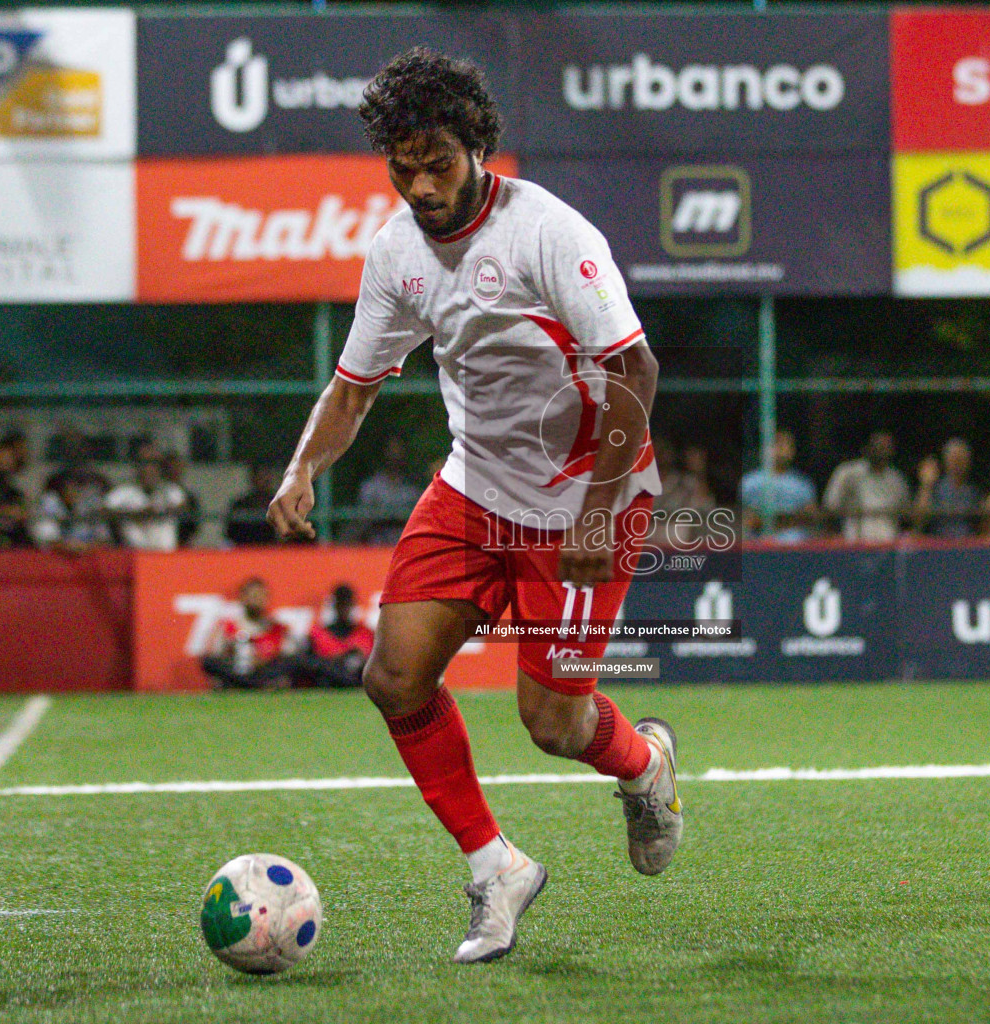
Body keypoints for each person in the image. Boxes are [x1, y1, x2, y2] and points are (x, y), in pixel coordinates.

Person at [266, 48, 682, 964]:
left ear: (479, 147)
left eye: (438, 164)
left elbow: (634, 369)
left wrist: (597, 510)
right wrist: (302, 470)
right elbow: (353, 388)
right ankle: (495, 867)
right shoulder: (395, 252)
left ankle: (645, 765)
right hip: (472, 490)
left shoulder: (547, 233)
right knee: (394, 676)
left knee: (552, 725)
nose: (420, 186)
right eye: (402, 167)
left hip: (587, 497)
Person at [201, 577, 298, 690]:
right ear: (242, 597)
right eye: (253, 596)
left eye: (261, 596)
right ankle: (244, 684)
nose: (257, 600)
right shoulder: (227, 627)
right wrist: (232, 655)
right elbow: (213, 654)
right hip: (236, 672)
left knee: (292, 663)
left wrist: (264, 661)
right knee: (209, 662)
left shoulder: (278, 629)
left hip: (263, 674)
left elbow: (290, 656)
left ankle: (252, 685)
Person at [823, 430, 909, 542]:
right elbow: (830, 508)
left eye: (885, 447)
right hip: (855, 543)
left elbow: (906, 515)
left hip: (888, 544)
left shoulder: (897, 479)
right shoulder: (847, 473)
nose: (881, 451)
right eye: (877, 446)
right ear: (867, 447)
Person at [739, 429, 819, 544]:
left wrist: (776, 520)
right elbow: (748, 520)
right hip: (758, 545)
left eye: (787, 445)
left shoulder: (802, 483)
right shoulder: (750, 482)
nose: (782, 449)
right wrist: (789, 519)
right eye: (777, 444)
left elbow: (810, 519)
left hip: (795, 545)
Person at [296, 584, 375, 688]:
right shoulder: (318, 635)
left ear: (352, 605)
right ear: (334, 605)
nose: (344, 608)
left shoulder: (366, 634)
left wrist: (359, 657)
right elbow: (307, 663)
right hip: (327, 684)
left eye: (347, 604)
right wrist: (338, 658)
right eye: (341, 604)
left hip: (358, 682)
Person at [105, 457, 187, 552]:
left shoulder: (170, 489)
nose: (149, 475)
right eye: (145, 472)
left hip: (164, 549)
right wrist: (135, 514)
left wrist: (159, 511)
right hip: (136, 549)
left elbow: (184, 507)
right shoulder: (125, 491)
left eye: (152, 472)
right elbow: (104, 510)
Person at [358, 437, 425, 545]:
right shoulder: (371, 486)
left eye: (398, 452)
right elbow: (362, 520)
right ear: (384, 454)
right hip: (375, 545)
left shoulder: (411, 488)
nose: (395, 456)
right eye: (391, 452)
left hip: (405, 544)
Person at [914, 437, 981, 539]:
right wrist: (926, 486)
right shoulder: (935, 488)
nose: (957, 463)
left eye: (961, 459)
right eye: (954, 459)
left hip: (968, 546)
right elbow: (918, 521)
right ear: (945, 460)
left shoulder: (973, 491)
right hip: (939, 546)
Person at [227, 463, 284, 547]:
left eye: (266, 477)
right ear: (253, 479)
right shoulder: (241, 504)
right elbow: (231, 533)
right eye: (260, 477)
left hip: (273, 551)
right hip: (246, 551)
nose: (263, 481)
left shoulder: (280, 503)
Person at [162, 452, 201, 547]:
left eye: (177, 467)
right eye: (170, 467)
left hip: (182, 544)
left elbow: (194, 525)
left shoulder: (189, 497)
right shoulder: (158, 494)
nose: (174, 471)